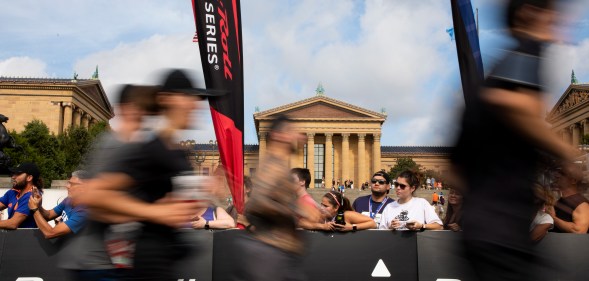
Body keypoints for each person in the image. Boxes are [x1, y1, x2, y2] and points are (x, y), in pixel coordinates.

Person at [450, 1, 580, 280]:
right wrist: (570, 155)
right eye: (553, 18)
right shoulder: (526, 53)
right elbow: (512, 104)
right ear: (529, 12)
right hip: (503, 229)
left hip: (484, 228)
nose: (560, 29)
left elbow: (456, 167)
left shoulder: (497, 71)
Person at [76, 70, 218, 280]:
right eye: (188, 97)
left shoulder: (178, 152)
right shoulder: (151, 149)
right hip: (146, 265)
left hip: (166, 264)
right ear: (166, 99)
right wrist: (153, 212)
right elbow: (91, 195)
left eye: (197, 99)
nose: (195, 104)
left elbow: (167, 204)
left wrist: (199, 196)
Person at [232, 115, 312, 281]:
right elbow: (256, 203)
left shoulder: (279, 166)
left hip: (278, 255)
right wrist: (296, 209)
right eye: (291, 132)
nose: (299, 136)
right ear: (278, 135)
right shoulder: (271, 165)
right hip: (269, 256)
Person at [28, 170, 90, 238]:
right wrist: (38, 205)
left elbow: (50, 233)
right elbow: (49, 215)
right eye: (68, 183)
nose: (67, 186)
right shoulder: (68, 200)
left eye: (72, 184)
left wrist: (34, 210)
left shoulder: (85, 212)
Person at [304, 191, 376, 231]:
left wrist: (351, 227)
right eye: (321, 205)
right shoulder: (320, 215)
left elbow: (373, 223)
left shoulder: (347, 215)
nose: (322, 208)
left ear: (336, 207)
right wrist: (322, 226)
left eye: (326, 206)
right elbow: (301, 223)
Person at [546, 167, 589, 233]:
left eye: (563, 174)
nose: (557, 176)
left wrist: (553, 218)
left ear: (573, 180)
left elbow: (579, 231)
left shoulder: (582, 205)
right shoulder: (560, 201)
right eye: (558, 173)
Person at [0, 162, 41, 229]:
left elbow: (13, 224)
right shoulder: (12, 192)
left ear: (29, 178)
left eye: (18, 174)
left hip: (25, 238)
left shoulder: (31, 197)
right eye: (14, 174)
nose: (13, 177)